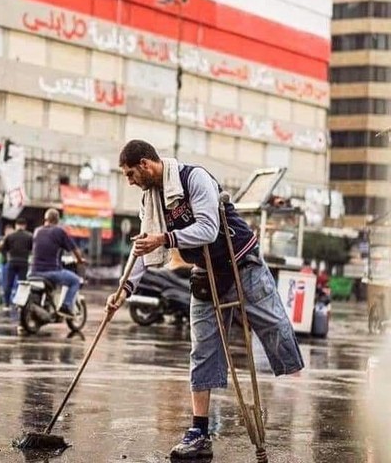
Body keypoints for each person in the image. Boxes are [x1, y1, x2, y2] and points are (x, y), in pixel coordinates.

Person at [106, 140, 304, 460]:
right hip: (206, 273)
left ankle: (294, 378)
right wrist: (124, 290)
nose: (129, 181)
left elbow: (209, 230)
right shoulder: (150, 201)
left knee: (278, 329)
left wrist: (167, 238)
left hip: (242, 261)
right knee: (202, 350)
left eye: (130, 173)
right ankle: (199, 430)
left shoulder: (194, 178)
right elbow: (145, 248)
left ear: (145, 164)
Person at [30, 208, 86, 317]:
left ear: (45, 219)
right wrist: (80, 260)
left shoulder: (37, 231)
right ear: (57, 220)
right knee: (75, 280)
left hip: (33, 271)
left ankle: (47, 304)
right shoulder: (59, 231)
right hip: (50, 271)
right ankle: (65, 306)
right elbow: (74, 250)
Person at [0, 218, 33, 310]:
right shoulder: (29, 236)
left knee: (8, 284)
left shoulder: (10, 236)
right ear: (25, 226)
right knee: (22, 284)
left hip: (11, 262)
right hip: (23, 262)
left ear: (16, 225)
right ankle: (20, 305)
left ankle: (6, 305)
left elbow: (1, 248)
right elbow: (33, 249)